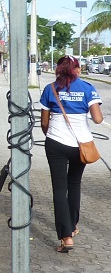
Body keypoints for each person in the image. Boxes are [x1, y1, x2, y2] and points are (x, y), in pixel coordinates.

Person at [39, 55, 103, 253]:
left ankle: (66, 237)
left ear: (58, 69)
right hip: (80, 144)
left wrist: (51, 137)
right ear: (76, 69)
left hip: (55, 143)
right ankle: (73, 226)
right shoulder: (87, 87)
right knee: (74, 184)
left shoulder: (50, 89)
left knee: (59, 189)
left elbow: (43, 122)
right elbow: (98, 119)